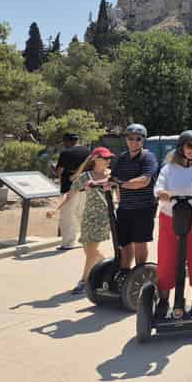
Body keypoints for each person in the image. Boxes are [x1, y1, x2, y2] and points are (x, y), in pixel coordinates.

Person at [153, 130, 192, 318]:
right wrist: (162, 193)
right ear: (181, 147)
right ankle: (164, 300)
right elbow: (158, 187)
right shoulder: (168, 168)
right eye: (189, 146)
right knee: (166, 259)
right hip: (170, 216)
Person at [52, 147, 115, 293]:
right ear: (95, 159)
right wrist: (56, 209)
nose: (108, 161)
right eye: (105, 158)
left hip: (104, 216)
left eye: (109, 158)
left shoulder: (112, 175)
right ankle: (106, 264)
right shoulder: (86, 177)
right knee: (89, 250)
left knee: (91, 249)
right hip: (88, 216)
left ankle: (84, 281)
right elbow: (70, 194)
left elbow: (120, 197)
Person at [113, 124, 158, 270]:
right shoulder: (122, 158)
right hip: (125, 207)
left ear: (142, 140)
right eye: (130, 138)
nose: (133, 141)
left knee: (140, 243)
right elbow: (113, 177)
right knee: (125, 245)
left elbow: (144, 181)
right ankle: (126, 274)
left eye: (137, 139)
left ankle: (140, 273)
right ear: (126, 139)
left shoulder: (148, 157)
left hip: (143, 208)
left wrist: (121, 183)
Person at [52, 133, 90, 249]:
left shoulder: (66, 153)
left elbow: (58, 172)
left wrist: (53, 167)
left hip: (69, 188)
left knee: (67, 215)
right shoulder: (87, 151)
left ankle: (68, 243)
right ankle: (85, 239)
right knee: (81, 214)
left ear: (67, 141)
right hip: (85, 186)